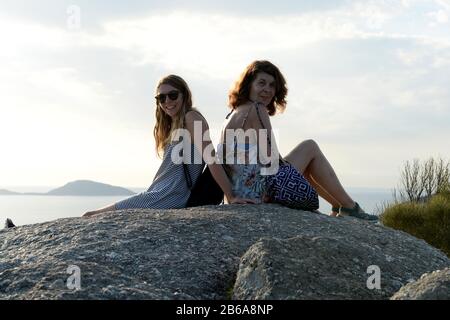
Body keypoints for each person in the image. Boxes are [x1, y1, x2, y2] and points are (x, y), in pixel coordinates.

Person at [219, 60, 378, 221]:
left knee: (303, 160)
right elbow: (272, 158)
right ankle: (350, 207)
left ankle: (339, 205)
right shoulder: (257, 109)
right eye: (262, 83)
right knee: (310, 147)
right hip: (260, 192)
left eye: (272, 85)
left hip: (241, 192)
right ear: (249, 84)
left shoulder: (231, 114)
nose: (267, 89)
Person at [83, 75, 254, 218]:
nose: (167, 101)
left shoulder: (191, 117)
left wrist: (231, 196)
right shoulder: (173, 124)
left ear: (184, 95)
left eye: (172, 95)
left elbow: (211, 159)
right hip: (158, 191)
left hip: (171, 195)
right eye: (161, 98)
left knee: (92, 216)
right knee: (92, 216)